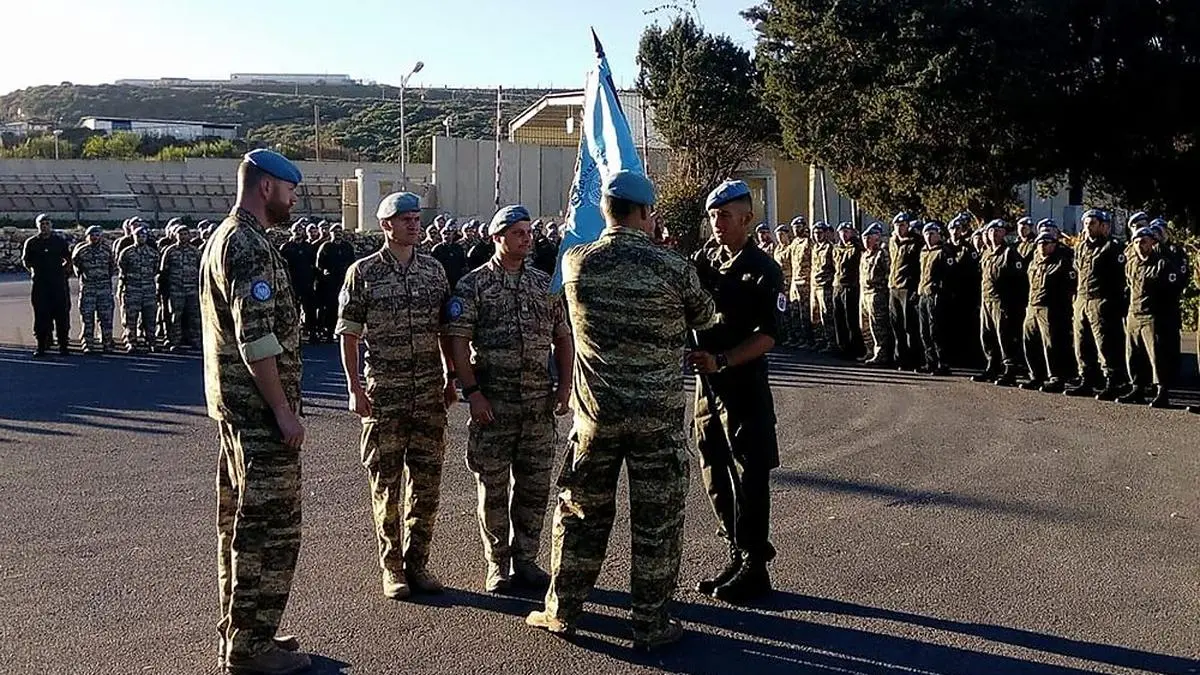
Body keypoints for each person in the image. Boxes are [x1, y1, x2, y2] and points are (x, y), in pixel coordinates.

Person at [526, 170, 714, 651]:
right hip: (657, 420)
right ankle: (650, 624)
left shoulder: (576, 262)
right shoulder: (673, 268)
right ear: (647, 212)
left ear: (605, 211)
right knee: (657, 524)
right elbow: (706, 315)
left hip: (597, 417)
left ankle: (562, 612)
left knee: (579, 514)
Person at [199, 149, 309, 674]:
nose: (293, 201)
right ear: (266, 188)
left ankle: (246, 629)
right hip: (260, 413)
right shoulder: (247, 244)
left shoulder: (227, 236)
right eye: (290, 191)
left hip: (237, 408)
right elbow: (257, 339)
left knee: (239, 522)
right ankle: (250, 650)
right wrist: (283, 411)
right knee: (269, 530)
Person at [445, 204, 574, 594]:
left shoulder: (544, 284)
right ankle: (497, 563)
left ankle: (527, 560)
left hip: (537, 406)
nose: (526, 239)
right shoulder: (474, 285)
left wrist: (564, 386)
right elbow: (458, 342)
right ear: (497, 238)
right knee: (494, 489)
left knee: (535, 488)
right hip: (494, 406)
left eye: (528, 232)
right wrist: (473, 393)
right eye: (518, 233)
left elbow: (563, 338)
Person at [337, 191, 457, 602]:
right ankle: (392, 566)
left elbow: (445, 330)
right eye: (405, 219)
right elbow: (349, 334)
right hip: (385, 394)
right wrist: (354, 387)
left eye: (417, 218)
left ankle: (418, 562)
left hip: (428, 393)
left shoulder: (434, 271)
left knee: (427, 484)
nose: (413, 225)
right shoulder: (363, 272)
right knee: (386, 484)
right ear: (385, 225)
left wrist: (451, 377)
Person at [689, 179, 783, 605]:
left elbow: (768, 336)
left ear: (747, 218)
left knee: (749, 474)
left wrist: (723, 360)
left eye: (725, 216)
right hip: (708, 389)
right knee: (713, 471)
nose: (717, 223)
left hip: (742, 387)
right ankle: (735, 551)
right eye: (713, 216)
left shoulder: (763, 269)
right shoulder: (704, 261)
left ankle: (755, 564)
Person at [1066, 209, 1129, 400]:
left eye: (1092, 224)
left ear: (1104, 226)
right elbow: (1077, 272)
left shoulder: (1112, 247)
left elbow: (1121, 278)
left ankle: (1113, 381)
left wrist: (1114, 303)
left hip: (1102, 300)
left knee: (1105, 343)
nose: (1088, 227)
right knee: (1082, 342)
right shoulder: (1081, 247)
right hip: (1082, 299)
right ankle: (1087, 378)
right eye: (1086, 224)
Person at [1115, 227, 1175, 407]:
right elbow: (1129, 284)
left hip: (1153, 315)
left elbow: (1171, 290)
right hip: (1134, 313)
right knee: (1133, 354)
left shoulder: (1162, 264)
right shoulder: (1131, 263)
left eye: (1143, 241)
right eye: (1136, 242)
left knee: (1157, 356)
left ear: (1152, 243)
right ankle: (1137, 388)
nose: (1140, 245)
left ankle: (1162, 391)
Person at [1021, 230, 1077, 393]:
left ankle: (1056, 377)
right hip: (1033, 306)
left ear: (1054, 245)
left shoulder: (1062, 263)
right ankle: (1036, 376)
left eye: (1046, 243)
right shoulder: (1034, 262)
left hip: (1052, 309)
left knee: (1052, 344)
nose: (1042, 247)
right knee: (1031, 342)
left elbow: (1071, 287)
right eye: (1039, 244)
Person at [975, 219, 1028, 386]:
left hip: (1003, 302)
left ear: (1004, 233)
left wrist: (1014, 304)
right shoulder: (986, 253)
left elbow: (1020, 280)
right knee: (987, 335)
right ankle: (992, 366)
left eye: (998, 231)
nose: (994, 234)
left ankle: (1009, 370)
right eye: (991, 231)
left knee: (1005, 336)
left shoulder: (1009, 253)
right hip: (987, 300)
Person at [23, 214, 72, 356]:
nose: (44, 226)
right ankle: (41, 345)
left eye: (47, 224)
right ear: (37, 226)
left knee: (61, 315)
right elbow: (26, 261)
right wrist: (34, 271)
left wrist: (63, 271)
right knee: (41, 316)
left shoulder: (59, 241)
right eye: (41, 224)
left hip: (58, 284)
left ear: (51, 225)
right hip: (40, 284)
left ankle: (63, 345)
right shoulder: (32, 242)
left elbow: (68, 258)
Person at [72, 225, 118, 354]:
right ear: (87, 237)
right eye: (92, 235)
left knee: (106, 318)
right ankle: (88, 343)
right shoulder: (81, 251)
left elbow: (112, 268)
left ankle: (107, 343)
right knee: (87, 318)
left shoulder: (107, 251)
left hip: (104, 289)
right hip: (88, 289)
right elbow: (77, 268)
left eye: (97, 235)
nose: (95, 237)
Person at [887, 212, 923, 371]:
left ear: (908, 226)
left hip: (908, 287)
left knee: (910, 327)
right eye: (897, 225)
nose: (900, 228)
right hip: (894, 286)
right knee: (897, 326)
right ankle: (900, 358)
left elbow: (920, 267)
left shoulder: (916, 242)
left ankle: (914, 359)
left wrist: (916, 288)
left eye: (903, 225)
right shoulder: (892, 241)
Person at [946, 214, 982, 369]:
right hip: (948, 294)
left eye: (958, 228)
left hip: (965, 294)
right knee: (950, 327)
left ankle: (967, 359)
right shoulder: (945, 247)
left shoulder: (968, 248)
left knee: (966, 327)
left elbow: (974, 273)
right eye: (952, 228)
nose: (955, 231)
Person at [918, 221, 953, 376]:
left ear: (939, 235)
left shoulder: (943, 252)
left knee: (936, 331)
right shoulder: (924, 251)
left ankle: (942, 363)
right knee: (924, 331)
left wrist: (941, 291)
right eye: (926, 234)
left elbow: (949, 275)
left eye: (932, 234)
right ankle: (930, 361)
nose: (929, 237)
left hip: (936, 295)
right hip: (923, 294)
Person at [160, 225, 203, 351]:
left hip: (192, 289)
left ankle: (196, 340)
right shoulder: (170, 251)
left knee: (194, 317)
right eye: (180, 234)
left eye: (185, 234)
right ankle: (175, 341)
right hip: (176, 290)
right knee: (175, 317)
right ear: (176, 235)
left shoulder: (195, 252)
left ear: (189, 236)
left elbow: (201, 270)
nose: (183, 237)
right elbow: (163, 271)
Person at [117, 227, 159, 353]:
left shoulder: (153, 253)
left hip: (148, 290)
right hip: (132, 289)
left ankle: (151, 341)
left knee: (150, 318)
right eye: (138, 236)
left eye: (143, 236)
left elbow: (155, 270)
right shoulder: (126, 253)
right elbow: (122, 269)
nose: (141, 238)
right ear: (134, 237)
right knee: (130, 318)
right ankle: (131, 342)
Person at [315, 223, 356, 343]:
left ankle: (342, 332)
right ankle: (329, 332)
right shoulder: (326, 246)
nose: (338, 233)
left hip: (344, 281)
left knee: (344, 307)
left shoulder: (347, 247)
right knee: (331, 308)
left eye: (340, 231)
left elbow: (352, 263)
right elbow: (319, 264)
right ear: (331, 233)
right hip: (330, 282)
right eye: (335, 231)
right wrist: (324, 273)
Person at [280, 222, 319, 343]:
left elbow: (315, 264)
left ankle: (312, 333)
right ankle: (294, 334)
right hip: (292, 283)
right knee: (292, 310)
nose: (298, 232)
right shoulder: (286, 247)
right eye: (296, 229)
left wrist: (314, 279)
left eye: (300, 230)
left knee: (310, 309)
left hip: (307, 283)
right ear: (291, 231)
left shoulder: (309, 247)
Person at [858, 222, 891, 366]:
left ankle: (881, 354)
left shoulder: (881, 254)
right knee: (864, 325)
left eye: (869, 238)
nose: (866, 241)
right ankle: (869, 351)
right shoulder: (865, 255)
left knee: (877, 326)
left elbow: (888, 272)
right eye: (864, 238)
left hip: (876, 293)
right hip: (864, 293)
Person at [831, 222, 864, 359]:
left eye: (847, 232)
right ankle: (842, 347)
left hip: (851, 286)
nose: (844, 235)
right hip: (837, 285)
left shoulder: (856, 247)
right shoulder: (837, 248)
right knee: (839, 319)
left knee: (851, 320)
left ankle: (854, 348)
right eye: (842, 232)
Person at [809, 222, 836, 353]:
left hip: (825, 286)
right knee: (815, 315)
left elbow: (835, 267)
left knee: (827, 315)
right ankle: (820, 340)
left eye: (820, 233)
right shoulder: (815, 247)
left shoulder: (830, 248)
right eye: (815, 233)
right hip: (814, 285)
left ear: (825, 233)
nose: (817, 235)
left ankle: (831, 342)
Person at [786, 217, 813, 348]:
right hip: (794, 281)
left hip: (805, 282)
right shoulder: (794, 243)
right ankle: (798, 337)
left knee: (805, 312)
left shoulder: (808, 242)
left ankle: (808, 339)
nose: (796, 230)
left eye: (798, 227)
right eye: (794, 228)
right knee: (795, 311)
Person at [771, 224, 794, 345]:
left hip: (790, 281)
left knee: (791, 310)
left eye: (782, 235)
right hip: (780, 283)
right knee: (781, 309)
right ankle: (783, 335)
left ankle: (792, 336)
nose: (780, 238)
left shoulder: (790, 248)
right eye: (778, 235)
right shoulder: (777, 249)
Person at [431, 221, 468, 289]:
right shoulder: (437, 249)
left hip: (456, 279)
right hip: (442, 280)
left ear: (453, 235)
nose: (446, 236)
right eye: (444, 234)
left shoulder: (458, 248)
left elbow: (463, 265)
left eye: (448, 234)